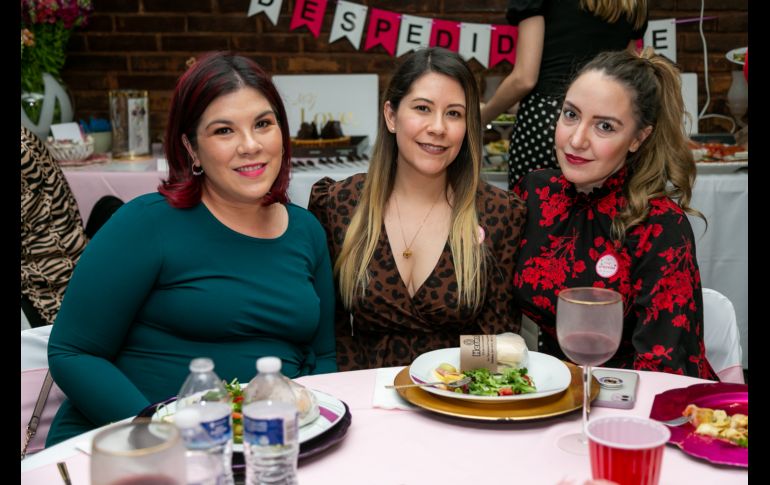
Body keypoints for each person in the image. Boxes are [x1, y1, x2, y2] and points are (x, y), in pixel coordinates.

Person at [46, 52, 337, 445]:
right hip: (129, 443)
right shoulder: (146, 224)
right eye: (224, 131)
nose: (250, 145)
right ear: (192, 148)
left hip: (265, 447)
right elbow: (72, 352)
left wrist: (307, 433)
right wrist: (157, 437)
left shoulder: (307, 231)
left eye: (263, 124)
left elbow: (323, 359)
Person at [309, 47, 526, 371]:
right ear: (391, 116)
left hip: (457, 402)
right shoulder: (342, 203)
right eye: (423, 108)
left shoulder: (498, 212)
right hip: (364, 399)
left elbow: (501, 347)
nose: (438, 127)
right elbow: (331, 333)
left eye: (454, 113)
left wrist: (432, 379)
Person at [512, 48, 717, 380]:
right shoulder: (535, 193)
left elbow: (665, 372)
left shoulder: (661, 227)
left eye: (604, 126)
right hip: (554, 394)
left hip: (638, 405)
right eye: (570, 114)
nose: (576, 140)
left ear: (638, 138)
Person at [481, 0, 648, 188]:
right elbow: (624, 81)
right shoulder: (635, 3)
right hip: (603, 129)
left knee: (532, 210)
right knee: (593, 212)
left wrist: (479, 118)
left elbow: (524, 79)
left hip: (543, 123)